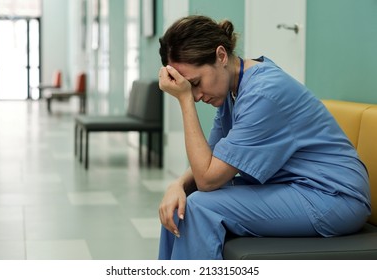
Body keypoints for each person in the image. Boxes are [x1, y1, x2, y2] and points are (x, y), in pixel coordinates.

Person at [157, 15, 371, 260]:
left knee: (199, 207)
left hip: (333, 197)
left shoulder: (263, 93)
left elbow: (207, 179)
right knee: (180, 205)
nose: (195, 95)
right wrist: (177, 186)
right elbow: (210, 155)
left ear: (221, 56)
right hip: (296, 188)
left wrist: (184, 101)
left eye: (195, 83)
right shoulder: (234, 90)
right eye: (188, 88)